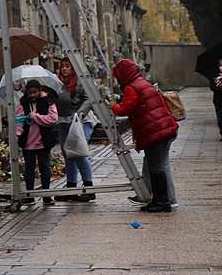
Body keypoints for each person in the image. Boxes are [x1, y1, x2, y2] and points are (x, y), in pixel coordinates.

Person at [110, 59, 178, 213]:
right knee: (154, 166)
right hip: (163, 128)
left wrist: (113, 106)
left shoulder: (131, 87)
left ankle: (163, 201)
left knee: (156, 168)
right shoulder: (141, 82)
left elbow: (125, 108)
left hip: (155, 131)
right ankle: (157, 199)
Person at [55, 57, 96, 202]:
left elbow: (89, 99)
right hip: (64, 121)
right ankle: (71, 187)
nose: (64, 69)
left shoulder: (80, 82)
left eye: (67, 66)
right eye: (62, 66)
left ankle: (89, 187)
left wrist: (79, 113)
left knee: (79, 152)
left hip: (81, 121)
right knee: (68, 154)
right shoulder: (57, 84)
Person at [16, 80, 59, 205]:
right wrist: (18, 135)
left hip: (43, 141)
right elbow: (18, 121)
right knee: (29, 169)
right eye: (30, 93)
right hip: (27, 142)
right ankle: (30, 195)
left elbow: (53, 119)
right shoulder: (22, 103)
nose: (32, 95)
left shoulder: (48, 101)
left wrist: (35, 117)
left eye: (35, 92)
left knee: (44, 168)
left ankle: (46, 195)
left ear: (40, 90)